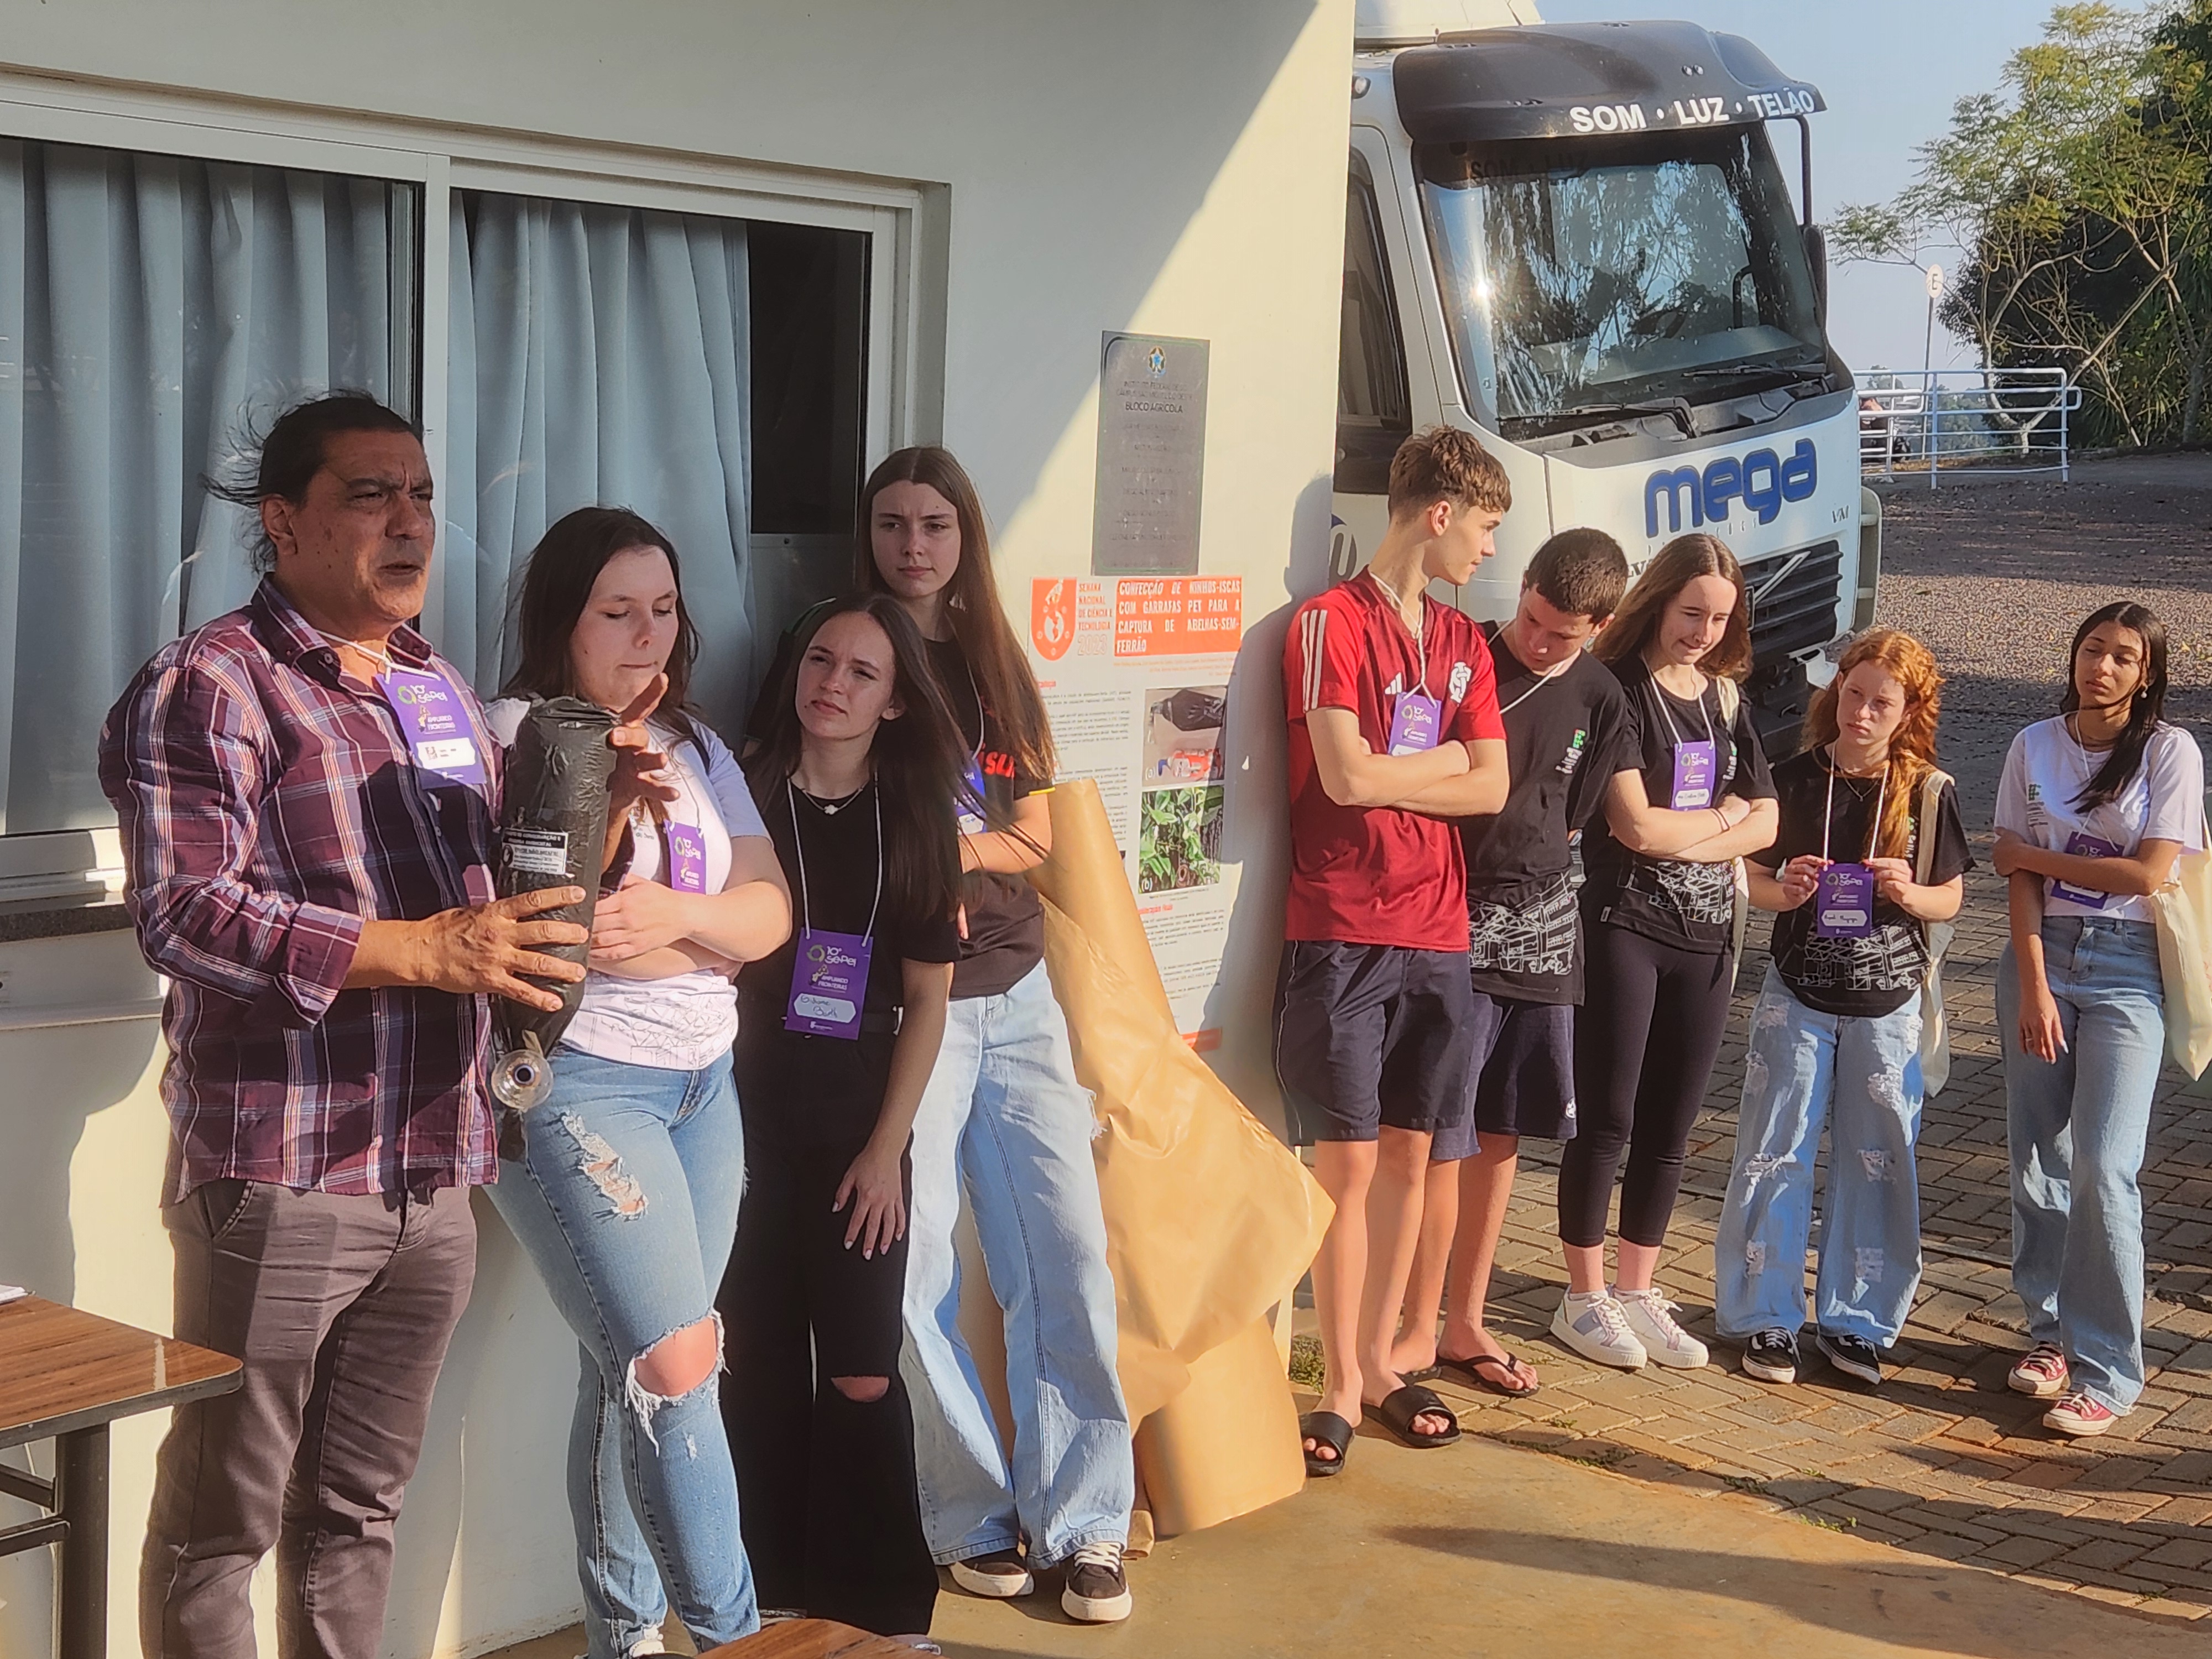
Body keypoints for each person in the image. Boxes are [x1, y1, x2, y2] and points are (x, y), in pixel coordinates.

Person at [98, 393, 601, 1659]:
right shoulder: (209, 684)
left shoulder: (433, 682)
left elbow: (477, 893)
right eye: (370, 495)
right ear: (284, 522)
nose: (408, 521)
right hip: (283, 1171)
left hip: (432, 1165)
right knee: (226, 1521)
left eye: (421, 494)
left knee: (358, 1513)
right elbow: (185, 914)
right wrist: (418, 951)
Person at [483, 508, 791, 1659]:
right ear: (560, 619)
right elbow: (568, 939)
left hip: (702, 1083)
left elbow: (770, 916)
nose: (645, 635)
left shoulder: (696, 747)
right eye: (616, 611)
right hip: (580, 1085)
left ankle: (622, 1639)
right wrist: (704, 936)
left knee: (632, 1371)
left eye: (662, 610)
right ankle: (734, 1640)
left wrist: (688, 923)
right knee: (674, 1366)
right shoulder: (523, 738)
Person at [836, 446, 1134, 1623]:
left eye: (935, 525)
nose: (913, 545)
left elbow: (1039, 840)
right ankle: (971, 1515)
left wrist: (955, 850)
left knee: (1063, 1259)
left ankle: (1087, 1525)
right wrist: (932, 860)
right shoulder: (844, 648)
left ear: (965, 539)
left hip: (1017, 1000)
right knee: (905, 1275)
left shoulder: (997, 668)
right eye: (893, 523)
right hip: (909, 1013)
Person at [721, 594, 964, 1646]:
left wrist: (887, 1151)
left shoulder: (913, 816)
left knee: (862, 1366)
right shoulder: (740, 788)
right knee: (758, 1360)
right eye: (821, 659)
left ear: (896, 701)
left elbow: (929, 1003)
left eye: (863, 673)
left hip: (859, 1116)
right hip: (740, 1115)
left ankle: (880, 1606)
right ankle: (772, 1592)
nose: (835, 683)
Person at [1277, 425, 1511, 1477]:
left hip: (1440, 933)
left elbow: (1494, 787)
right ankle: (1334, 1383)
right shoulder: (1327, 626)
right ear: (1439, 513)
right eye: (1488, 529)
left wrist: (1417, 767)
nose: (1491, 553)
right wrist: (1443, 764)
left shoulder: (1466, 643)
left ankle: (1378, 1365)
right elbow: (1343, 778)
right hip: (1341, 927)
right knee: (1350, 1163)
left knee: (1416, 1152)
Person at [1394, 528, 1637, 1400]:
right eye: (1533, 620)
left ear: (1599, 628)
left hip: (1543, 927)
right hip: (1448, 912)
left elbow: (1572, 811)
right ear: (1522, 588)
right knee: (1437, 1132)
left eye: (1563, 634)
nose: (1540, 642)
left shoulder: (1605, 696)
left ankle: (1466, 1319)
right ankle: (1416, 1324)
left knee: (1502, 1132)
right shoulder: (1463, 660)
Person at [1715, 630, 1970, 1389]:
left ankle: (1857, 1323)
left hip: (1886, 1005)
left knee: (1879, 1159)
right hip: (1796, 990)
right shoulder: (1790, 777)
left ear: (1907, 712)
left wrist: (1907, 893)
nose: (1860, 713)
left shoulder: (1928, 791)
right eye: (1851, 695)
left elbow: (1951, 897)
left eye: (1880, 703)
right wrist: (1781, 889)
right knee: (1773, 1148)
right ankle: (1764, 1317)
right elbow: (1749, 878)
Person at [1553, 532, 1777, 1371]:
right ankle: (1582, 1297)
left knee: (1671, 1124)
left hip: (1708, 936)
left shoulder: (1722, 699)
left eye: (1721, 618)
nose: (1704, 633)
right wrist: (1724, 823)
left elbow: (1769, 818)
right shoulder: (1615, 688)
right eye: (1692, 614)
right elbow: (1633, 826)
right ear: (1658, 600)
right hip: (1624, 925)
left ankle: (1640, 1286)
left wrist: (1714, 828)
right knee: (1607, 1117)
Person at [1993, 601, 2203, 1437]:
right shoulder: (2032, 744)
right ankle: (2049, 1338)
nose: (2102, 668)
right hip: (2040, 959)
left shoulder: (2168, 751)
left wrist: (2034, 856)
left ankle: (2110, 1368)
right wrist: (2035, 985)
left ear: (2146, 671)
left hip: (2128, 969)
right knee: (2038, 1153)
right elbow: (2014, 887)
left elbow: (2150, 874)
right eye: (2091, 651)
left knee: (2105, 1167)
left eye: (2123, 657)